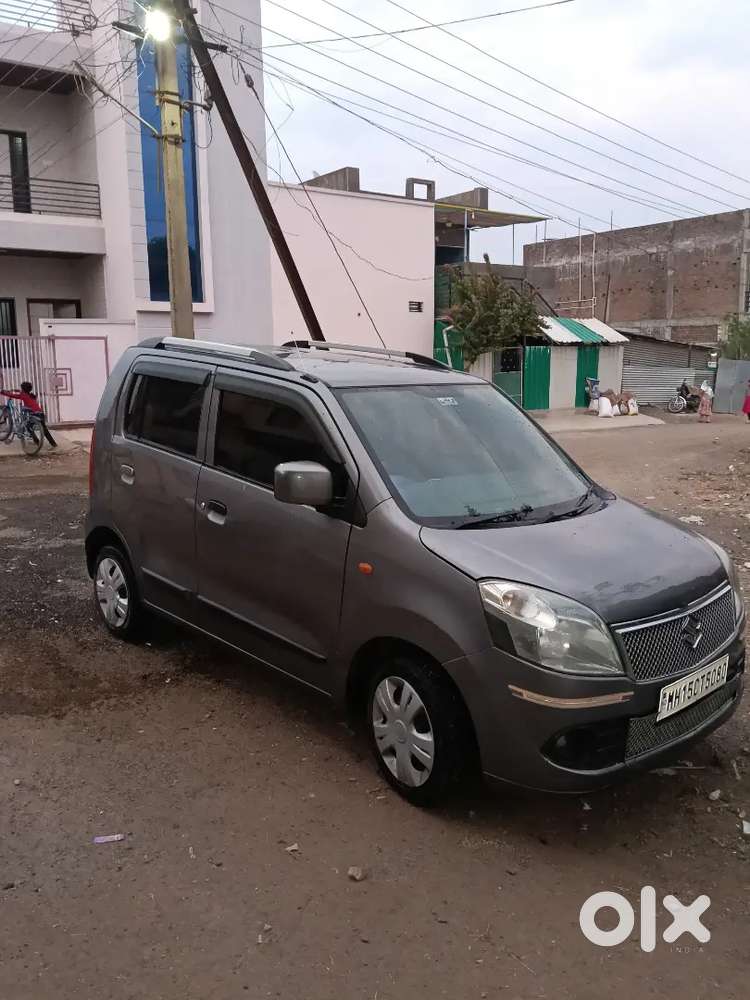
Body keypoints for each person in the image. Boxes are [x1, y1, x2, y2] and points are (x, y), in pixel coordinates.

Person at [0, 381, 57, 447]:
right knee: (45, 430)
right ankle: (53, 444)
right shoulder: (31, 395)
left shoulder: (23, 395)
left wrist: (2, 392)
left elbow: (12, 395)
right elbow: (21, 392)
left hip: (33, 414)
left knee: (28, 427)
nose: (20, 390)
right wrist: (15, 390)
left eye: (21, 389)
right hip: (40, 414)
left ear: (23, 389)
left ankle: (37, 442)